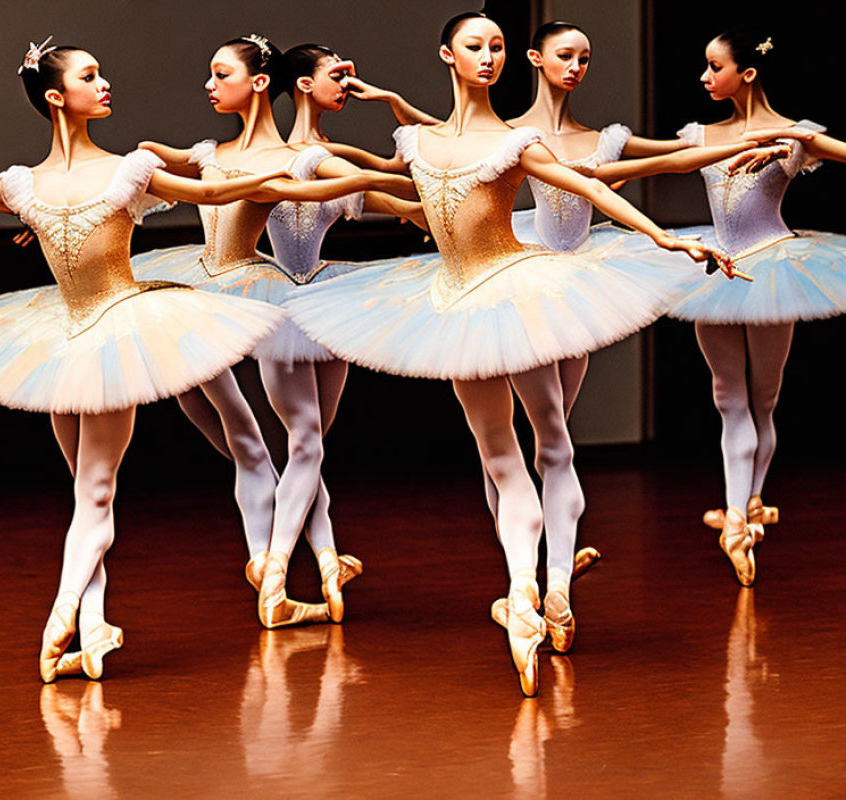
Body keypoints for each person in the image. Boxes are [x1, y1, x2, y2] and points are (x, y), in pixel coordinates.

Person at [0, 39, 331, 682]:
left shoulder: (105, 173)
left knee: (92, 496)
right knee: (90, 495)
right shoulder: (35, 184)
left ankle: (64, 616)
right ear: (56, 97)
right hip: (75, 343)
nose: (105, 84)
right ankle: (89, 626)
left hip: (106, 339)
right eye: (90, 76)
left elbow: (210, 194)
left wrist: (293, 174)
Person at [286, 12, 734, 696]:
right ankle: (530, 592)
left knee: (547, 445)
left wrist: (668, 238)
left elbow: (587, 186)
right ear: (448, 55)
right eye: (476, 46)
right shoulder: (417, 141)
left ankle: (542, 590)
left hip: (517, 291)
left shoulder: (512, 139)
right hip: (459, 301)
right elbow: (413, 182)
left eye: (497, 46)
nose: (489, 56)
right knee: (507, 454)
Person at [133, 34, 419, 628]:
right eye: (334, 76)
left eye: (220, 74)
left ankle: (295, 564)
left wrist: (431, 189)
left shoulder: (303, 157)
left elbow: (386, 185)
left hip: (303, 294)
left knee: (300, 447)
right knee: (291, 445)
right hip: (236, 293)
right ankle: (292, 565)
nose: (209, 86)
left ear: (262, 83)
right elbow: (150, 162)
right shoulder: (217, 152)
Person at [667, 28, 846, 586]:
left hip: (775, 266)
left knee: (763, 400)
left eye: (713, 67)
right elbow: (650, 164)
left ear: (745, 74)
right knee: (728, 397)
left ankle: (747, 502)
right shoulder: (700, 134)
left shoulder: (795, 134)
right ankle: (738, 519)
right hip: (717, 267)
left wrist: (784, 145)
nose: (703, 77)